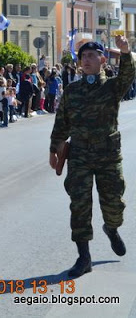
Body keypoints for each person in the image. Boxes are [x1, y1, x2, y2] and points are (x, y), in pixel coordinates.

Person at [49, 38, 135, 278]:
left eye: (91, 56)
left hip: (108, 155)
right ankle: (84, 257)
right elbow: (61, 122)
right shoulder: (72, 91)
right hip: (79, 156)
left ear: (102, 60)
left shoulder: (112, 87)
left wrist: (126, 52)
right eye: (82, 56)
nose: (85, 60)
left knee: (114, 204)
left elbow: (128, 75)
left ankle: (112, 228)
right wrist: (54, 149)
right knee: (79, 206)